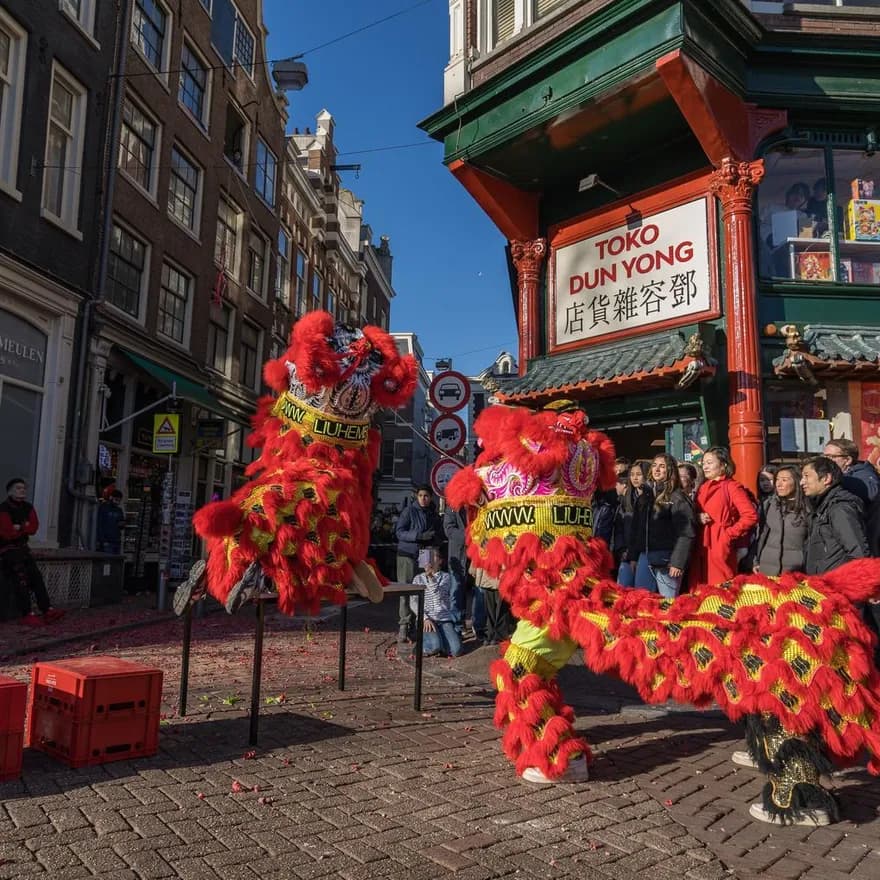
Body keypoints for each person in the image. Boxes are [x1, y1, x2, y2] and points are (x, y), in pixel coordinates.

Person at [689, 446, 758, 588]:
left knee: (720, 592)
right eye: (704, 463)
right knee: (697, 591)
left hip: (719, 545)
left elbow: (750, 515)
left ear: (723, 465)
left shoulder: (732, 487)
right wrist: (698, 517)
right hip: (700, 544)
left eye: (709, 462)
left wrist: (728, 534)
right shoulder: (702, 487)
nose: (705, 466)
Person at [629, 454, 695, 598]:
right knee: (641, 602)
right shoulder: (644, 497)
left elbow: (686, 532)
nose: (657, 469)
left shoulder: (677, 497)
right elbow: (636, 530)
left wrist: (677, 562)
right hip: (644, 557)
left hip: (667, 559)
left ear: (670, 470)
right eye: (654, 465)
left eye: (662, 466)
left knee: (668, 603)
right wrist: (633, 556)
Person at [0, 478, 62, 625]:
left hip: (23, 549)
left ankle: (47, 609)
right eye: (18, 488)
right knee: (21, 579)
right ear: (10, 491)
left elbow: (34, 527)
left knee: (36, 577)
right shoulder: (3, 509)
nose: (22, 491)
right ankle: (27, 613)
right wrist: (24, 527)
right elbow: (7, 532)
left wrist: (19, 527)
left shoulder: (28, 507)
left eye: (24, 488)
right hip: (8, 551)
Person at [802, 456, 869, 575]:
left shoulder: (839, 508)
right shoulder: (821, 505)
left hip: (836, 585)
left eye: (806, 476)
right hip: (821, 584)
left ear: (826, 478)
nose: (802, 482)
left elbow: (858, 553)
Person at [395, 485, 443, 642]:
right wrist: (418, 535)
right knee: (406, 589)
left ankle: (419, 624)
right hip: (408, 554)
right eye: (421, 495)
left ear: (431, 497)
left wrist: (434, 539)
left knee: (423, 589)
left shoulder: (433, 514)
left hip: (425, 553)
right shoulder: (409, 511)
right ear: (417, 496)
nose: (424, 498)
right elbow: (399, 532)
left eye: (426, 496)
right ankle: (404, 625)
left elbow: (439, 535)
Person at [823, 439, 880, 556]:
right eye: (824, 456)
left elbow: (871, 491)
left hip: (864, 541)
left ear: (847, 460)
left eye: (831, 457)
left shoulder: (864, 473)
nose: (825, 461)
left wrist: (835, 479)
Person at [752, 465, 811, 576]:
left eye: (784, 480)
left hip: (796, 571)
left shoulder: (808, 508)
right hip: (767, 568)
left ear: (797, 481)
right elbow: (760, 536)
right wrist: (755, 560)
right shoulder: (769, 505)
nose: (778, 484)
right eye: (777, 480)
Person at [411, 548, 462, 658]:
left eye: (433, 556)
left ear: (440, 561)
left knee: (456, 651)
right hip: (426, 620)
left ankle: (440, 642)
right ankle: (422, 646)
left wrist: (431, 578)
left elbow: (439, 596)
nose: (430, 560)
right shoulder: (418, 578)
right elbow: (413, 602)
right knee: (434, 646)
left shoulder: (446, 577)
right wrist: (424, 618)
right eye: (428, 556)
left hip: (443, 619)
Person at [615, 461, 655, 589]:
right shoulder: (626, 500)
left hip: (644, 553)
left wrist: (635, 554)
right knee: (623, 590)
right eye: (632, 474)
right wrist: (621, 549)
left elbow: (643, 530)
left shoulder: (652, 499)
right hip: (626, 553)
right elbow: (619, 528)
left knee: (642, 591)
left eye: (639, 474)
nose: (635, 478)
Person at [96, 488, 126, 554]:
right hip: (107, 541)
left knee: (114, 562)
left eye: (119, 500)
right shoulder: (103, 508)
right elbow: (99, 525)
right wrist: (103, 541)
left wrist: (122, 524)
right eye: (116, 500)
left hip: (116, 541)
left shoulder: (119, 510)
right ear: (111, 497)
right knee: (107, 562)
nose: (117, 502)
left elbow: (121, 525)